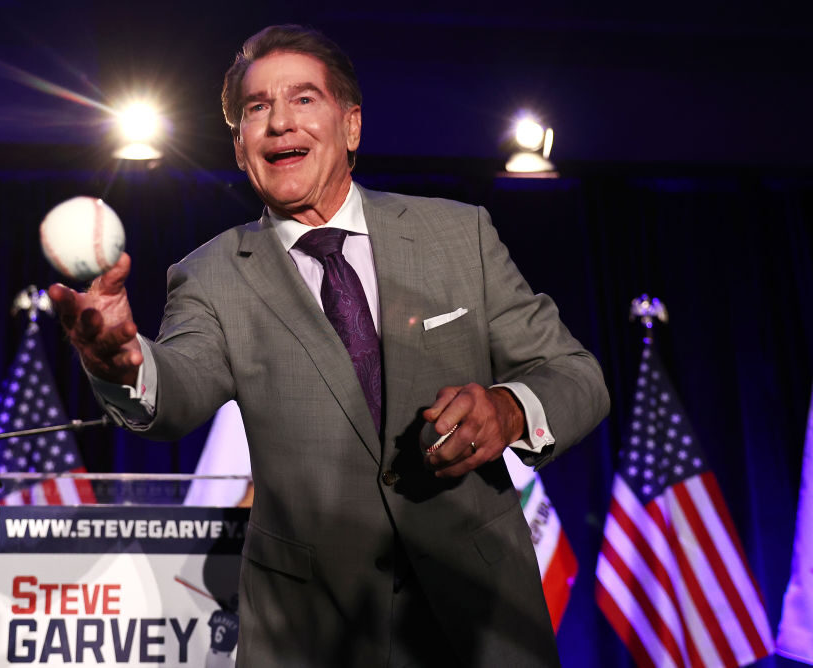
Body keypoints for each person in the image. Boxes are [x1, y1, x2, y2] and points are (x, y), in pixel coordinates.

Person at [49, 24, 609, 667]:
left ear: (352, 127)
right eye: (257, 108)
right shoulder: (212, 274)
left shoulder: (459, 235)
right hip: (309, 634)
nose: (280, 122)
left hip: (479, 619)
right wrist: (123, 362)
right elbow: (178, 386)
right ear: (239, 147)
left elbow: (573, 373)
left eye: (304, 99)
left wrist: (508, 410)